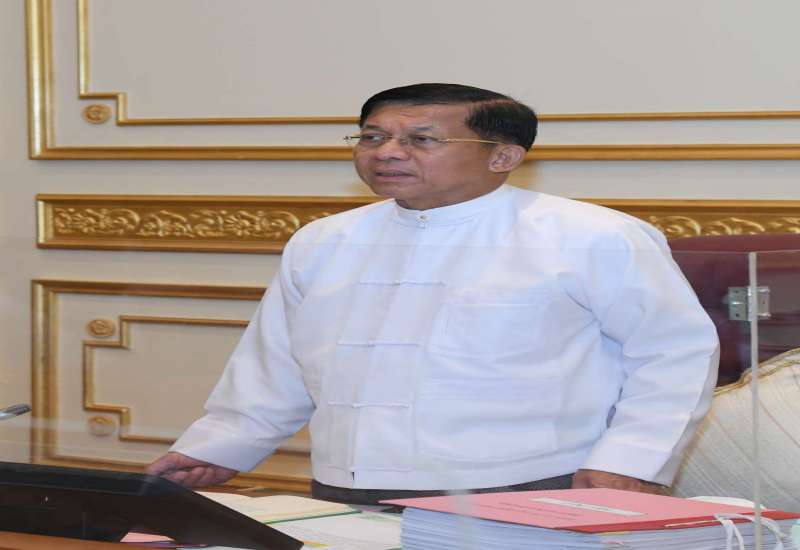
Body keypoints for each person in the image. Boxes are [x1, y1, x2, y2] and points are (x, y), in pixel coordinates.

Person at [147, 83, 720, 504]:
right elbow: (274, 366)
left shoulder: (592, 235)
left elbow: (673, 354)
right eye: (373, 137)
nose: (387, 152)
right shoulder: (324, 240)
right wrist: (217, 448)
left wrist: (631, 462)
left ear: (503, 156)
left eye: (421, 139)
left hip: (527, 486)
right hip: (345, 484)